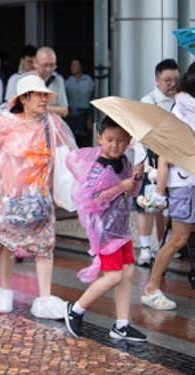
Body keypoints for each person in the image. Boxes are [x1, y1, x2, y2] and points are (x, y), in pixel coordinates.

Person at [0, 75, 76, 318]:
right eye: (38, 95)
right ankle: (5, 291)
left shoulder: (52, 123)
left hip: (40, 198)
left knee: (44, 247)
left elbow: (69, 153)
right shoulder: (5, 123)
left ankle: (44, 297)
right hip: (9, 196)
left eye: (45, 95)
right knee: (7, 244)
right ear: (24, 98)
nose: (44, 99)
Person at [63, 116, 147, 342]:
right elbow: (90, 199)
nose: (115, 145)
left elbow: (132, 191)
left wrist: (136, 177)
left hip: (121, 229)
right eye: (109, 139)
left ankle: (121, 325)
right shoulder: (97, 167)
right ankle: (76, 309)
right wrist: (121, 186)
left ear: (129, 141)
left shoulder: (125, 163)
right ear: (99, 138)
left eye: (121, 140)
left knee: (127, 273)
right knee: (113, 276)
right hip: (104, 231)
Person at [140, 65, 195, 310]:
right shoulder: (182, 112)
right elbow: (169, 154)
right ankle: (151, 288)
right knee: (178, 239)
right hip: (184, 183)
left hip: (189, 181)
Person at [134, 59, 180, 266]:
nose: (172, 84)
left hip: (175, 161)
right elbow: (141, 135)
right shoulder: (148, 102)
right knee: (146, 205)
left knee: (168, 205)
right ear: (157, 80)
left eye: (176, 80)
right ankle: (145, 249)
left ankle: (166, 245)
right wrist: (140, 165)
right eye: (167, 80)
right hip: (150, 161)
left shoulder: (182, 100)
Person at [16, 47, 68, 117]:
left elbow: (64, 111)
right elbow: (13, 107)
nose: (49, 69)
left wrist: (43, 107)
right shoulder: (24, 79)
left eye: (52, 65)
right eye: (45, 65)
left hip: (51, 124)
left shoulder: (58, 81)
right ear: (35, 63)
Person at [65, 58, 94, 147]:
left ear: (81, 67)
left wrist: (91, 118)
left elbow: (93, 99)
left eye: (75, 65)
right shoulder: (68, 81)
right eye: (71, 65)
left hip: (85, 115)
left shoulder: (89, 81)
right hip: (71, 115)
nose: (72, 67)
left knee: (85, 141)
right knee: (72, 140)